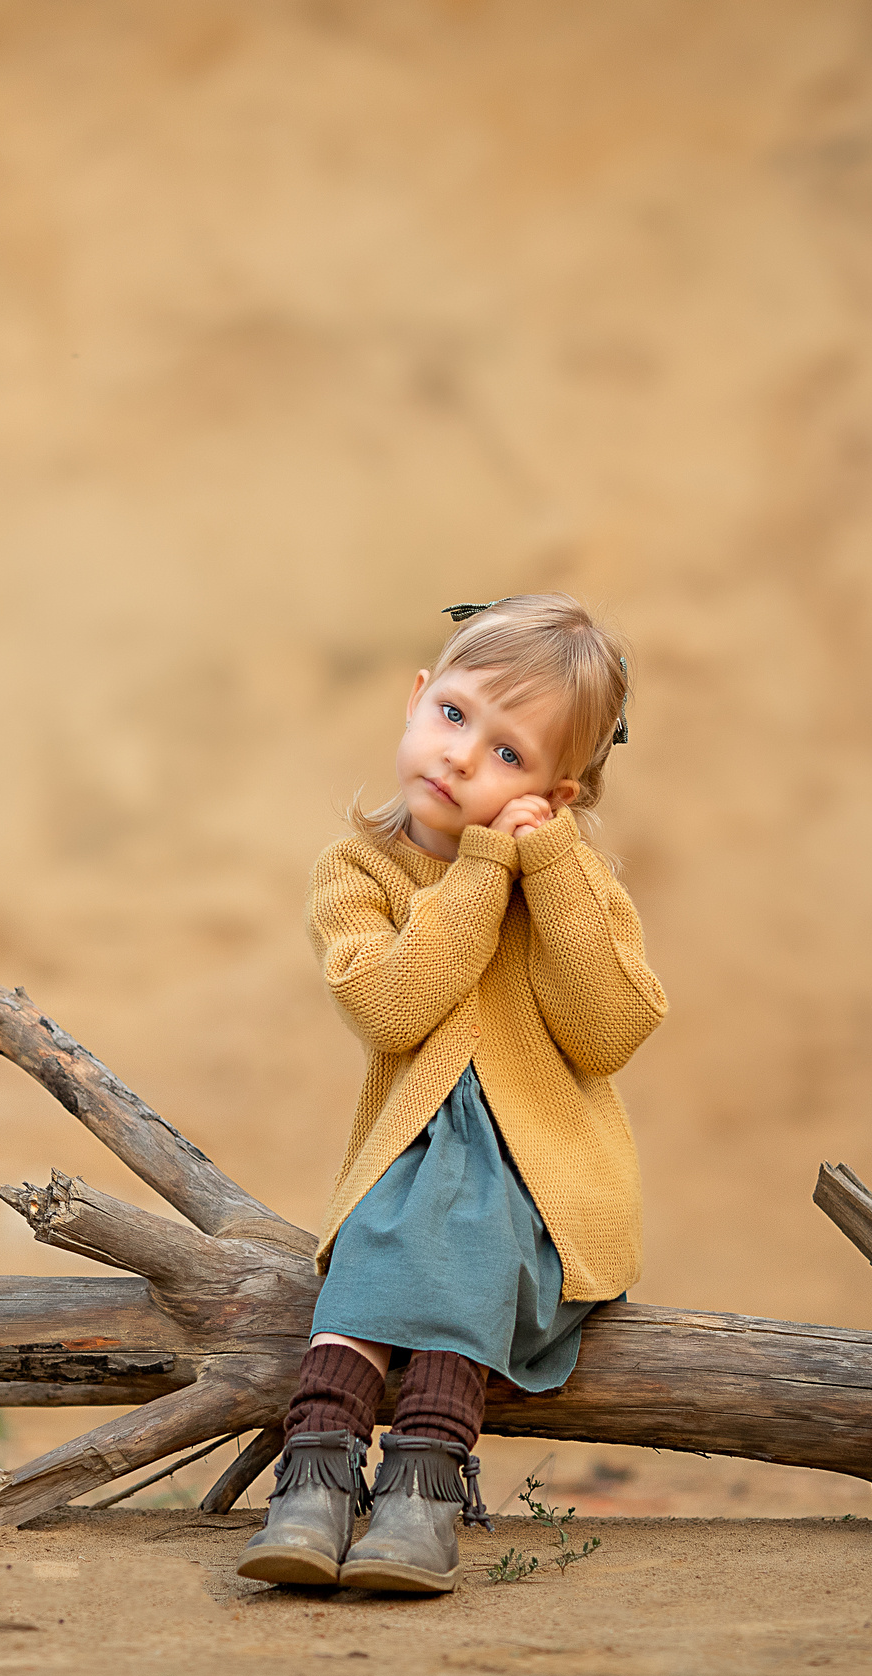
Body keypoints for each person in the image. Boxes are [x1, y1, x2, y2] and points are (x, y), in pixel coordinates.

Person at [236, 592, 667, 1594]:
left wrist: (545, 864)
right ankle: (316, 1478)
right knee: (407, 1210)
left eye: (510, 756)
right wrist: (480, 869)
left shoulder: (570, 883)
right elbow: (392, 1007)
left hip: (541, 1184)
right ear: (418, 697)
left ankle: (422, 1486)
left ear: (557, 795)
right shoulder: (357, 871)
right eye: (455, 716)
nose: (464, 758)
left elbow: (609, 1031)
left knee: (459, 1218)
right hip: (407, 1173)